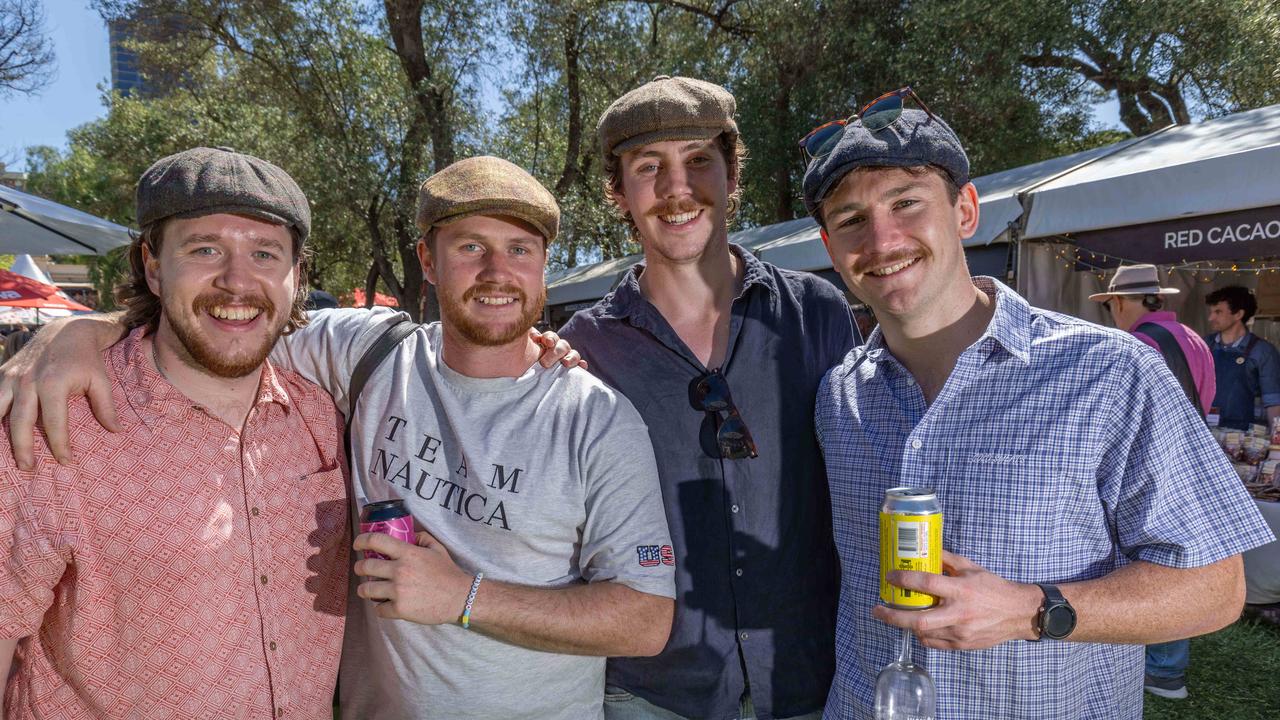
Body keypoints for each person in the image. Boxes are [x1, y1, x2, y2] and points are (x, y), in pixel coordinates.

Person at [1, 155, 674, 720]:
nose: (497, 271)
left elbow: (645, 620)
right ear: (428, 262)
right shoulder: (364, 356)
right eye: (470, 247)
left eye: (519, 249)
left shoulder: (597, 420)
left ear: (544, 266)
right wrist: (74, 331)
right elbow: (229, 318)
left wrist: (464, 598)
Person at [801, 93, 1274, 719]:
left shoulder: (1109, 370)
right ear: (833, 250)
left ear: (965, 211)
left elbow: (1214, 590)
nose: (883, 239)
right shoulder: (838, 396)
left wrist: (1032, 609)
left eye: (907, 202)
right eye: (851, 219)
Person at [0, 146, 350, 719]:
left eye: (265, 254)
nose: (238, 282)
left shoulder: (320, 416)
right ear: (154, 266)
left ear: (296, 276)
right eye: (205, 249)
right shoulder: (50, 421)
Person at [560, 75, 860, 720]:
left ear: (732, 174)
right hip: (652, 689)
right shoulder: (583, 348)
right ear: (618, 193)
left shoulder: (817, 312)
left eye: (699, 160)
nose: (677, 189)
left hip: (809, 675)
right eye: (649, 168)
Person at [1089, 264, 1216, 699]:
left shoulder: (1137, 344)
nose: (1112, 314)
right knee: (1176, 561)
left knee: (1152, 568)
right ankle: (1167, 670)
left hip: (1150, 464)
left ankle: (1162, 670)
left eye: (1111, 306)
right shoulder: (1195, 338)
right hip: (1190, 456)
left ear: (1122, 302)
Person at [1204, 285, 1280, 430]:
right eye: (1211, 312)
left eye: (1218, 312)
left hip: (1246, 440)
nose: (1210, 318)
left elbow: (1274, 402)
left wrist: (1276, 445)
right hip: (1207, 433)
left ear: (1238, 314)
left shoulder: (1263, 352)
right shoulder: (1204, 345)